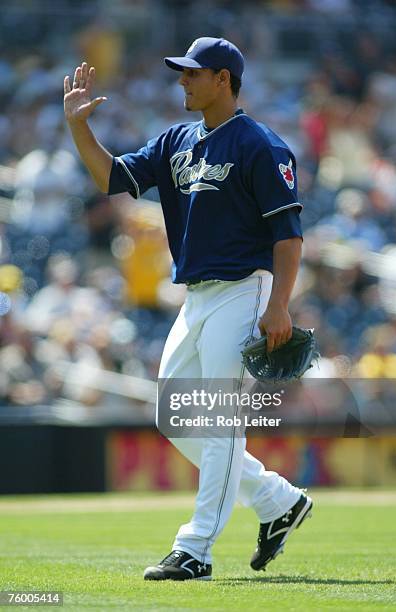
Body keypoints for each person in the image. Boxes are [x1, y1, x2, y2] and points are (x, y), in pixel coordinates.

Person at [64, 37, 313, 581]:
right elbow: (113, 180)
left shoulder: (260, 146)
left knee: (221, 419)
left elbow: (288, 236)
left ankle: (195, 549)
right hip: (195, 296)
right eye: (182, 73)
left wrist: (279, 306)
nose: (182, 80)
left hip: (243, 289)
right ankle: (277, 499)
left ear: (223, 79)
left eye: (193, 74)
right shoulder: (178, 140)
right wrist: (80, 126)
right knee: (174, 416)